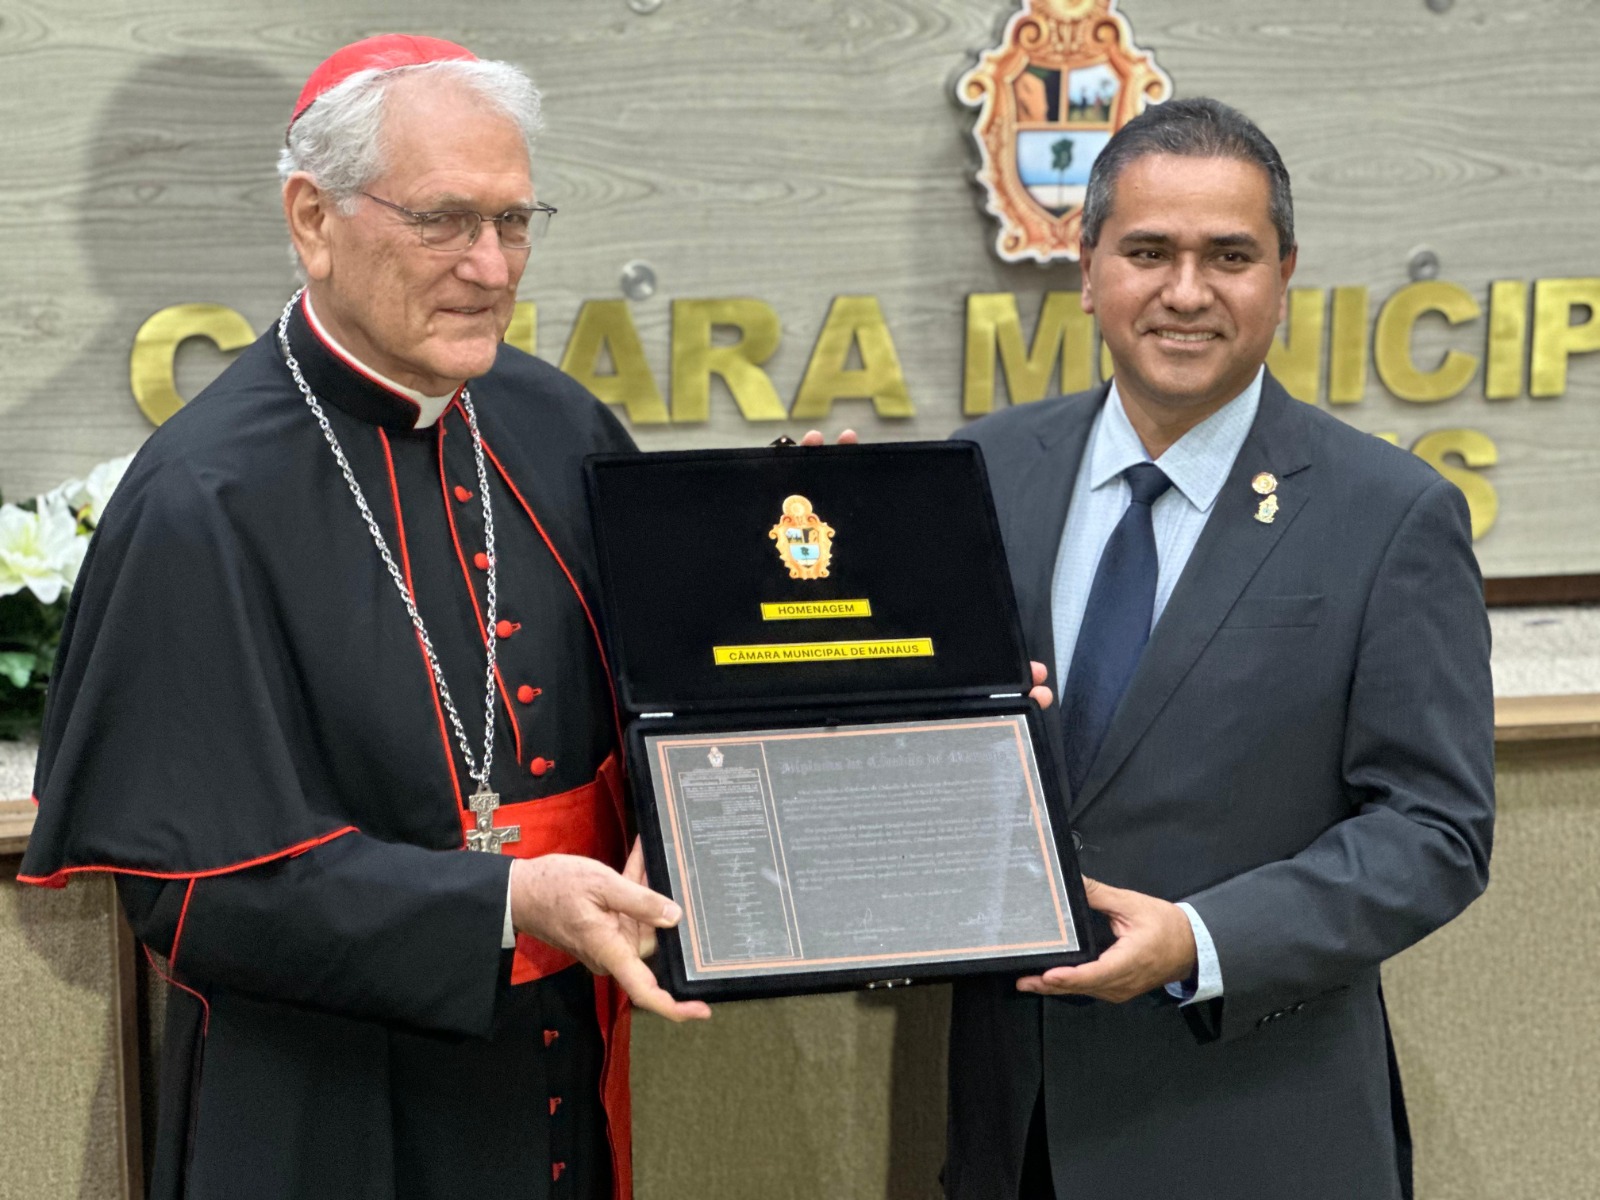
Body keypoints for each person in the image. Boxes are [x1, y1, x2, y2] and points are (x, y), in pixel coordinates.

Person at [19, 35, 709, 1200]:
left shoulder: (556, 425)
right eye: (444, 220)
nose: (490, 268)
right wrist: (500, 902)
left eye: (514, 221)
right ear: (313, 218)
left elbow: (669, 691)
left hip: (558, 1063)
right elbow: (193, 896)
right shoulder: (202, 497)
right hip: (321, 1107)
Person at [946, 97, 1494, 1199]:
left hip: (1254, 1127)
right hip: (1017, 1128)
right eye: (1147, 251)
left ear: (1284, 277)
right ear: (1088, 266)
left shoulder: (1389, 513)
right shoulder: (979, 473)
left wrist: (1203, 940)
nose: (1185, 292)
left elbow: (1435, 830)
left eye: (1228, 256)